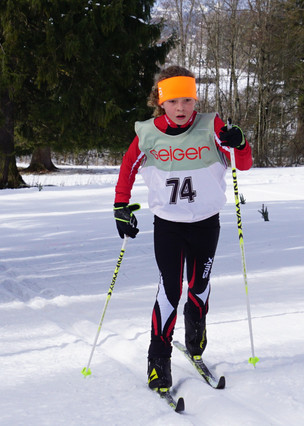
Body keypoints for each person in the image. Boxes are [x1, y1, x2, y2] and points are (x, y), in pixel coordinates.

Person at [113, 65, 253, 392]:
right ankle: (158, 359)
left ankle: (195, 335)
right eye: (173, 101)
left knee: (199, 285)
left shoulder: (212, 126)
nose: (181, 108)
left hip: (206, 224)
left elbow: (241, 163)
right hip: (169, 226)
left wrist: (240, 142)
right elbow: (127, 168)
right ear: (160, 101)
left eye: (187, 101)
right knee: (170, 290)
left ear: (196, 99)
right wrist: (121, 205)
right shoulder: (148, 134)